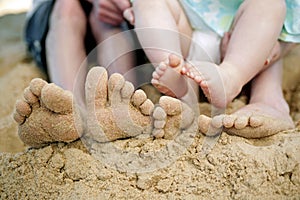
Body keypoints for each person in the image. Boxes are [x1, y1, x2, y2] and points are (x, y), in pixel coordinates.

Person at [124, 0, 299, 136]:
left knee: (270, 5)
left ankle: (237, 80)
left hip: (242, 42)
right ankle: (176, 76)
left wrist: (281, 42)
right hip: (185, 33)